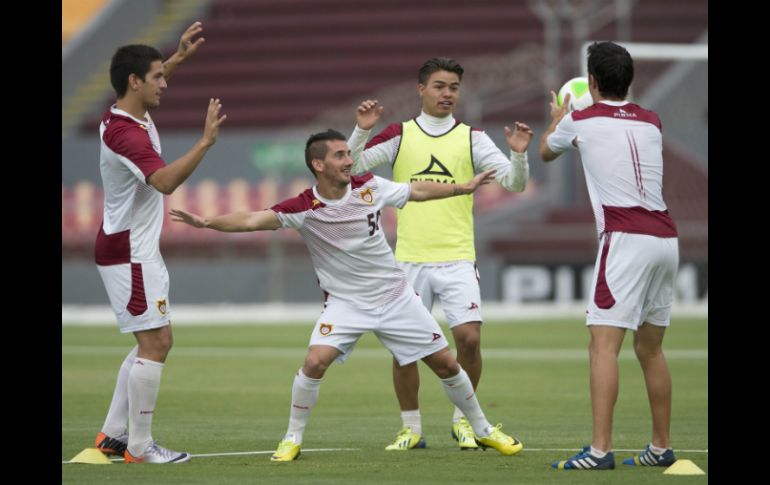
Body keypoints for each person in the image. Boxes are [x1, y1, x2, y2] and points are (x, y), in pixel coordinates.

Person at [170, 129, 524, 462]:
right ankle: (292, 438)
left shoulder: (370, 186)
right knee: (313, 363)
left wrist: (460, 188)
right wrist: (206, 223)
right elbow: (250, 220)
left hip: (396, 297)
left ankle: (482, 428)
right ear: (318, 165)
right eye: (340, 155)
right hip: (346, 305)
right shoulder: (303, 207)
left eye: (348, 154)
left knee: (447, 364)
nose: (349, 160)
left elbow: (415, 190)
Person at [347, 57, 533, 451]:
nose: (448, 94)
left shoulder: (472, 138)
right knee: (404, 351)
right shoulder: (399, 134)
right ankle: (411, 428)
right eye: (439, 86)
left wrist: (518, 154)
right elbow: (351, 167)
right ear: (421, 90)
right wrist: (361, 132)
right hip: (409, 259)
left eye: (453, 87)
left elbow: (515, 184)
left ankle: (464, 422)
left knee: (468, 338)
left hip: (457, 256)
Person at [540, 41, 679, 470]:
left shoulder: (580, 119)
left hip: (624, 238)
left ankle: (600, 451)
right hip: (666, 238)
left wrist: (557, 120)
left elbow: (545, 152)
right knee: (651, 349)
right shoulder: (651, 121)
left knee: (603, 346)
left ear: (593, 82)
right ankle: (660, 447)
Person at [93, 21, 226, 464]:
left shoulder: (122, 113)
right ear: (135, 82)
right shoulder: (125, 134)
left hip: (132, 248)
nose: (165, 83)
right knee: (157, 343)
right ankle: (140, 447)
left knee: (148, 341)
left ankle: (113, 436)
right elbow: (165, 181)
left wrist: (178, 57)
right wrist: (205, 142)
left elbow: (145, 83)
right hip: (130, 252)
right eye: (158, 77)